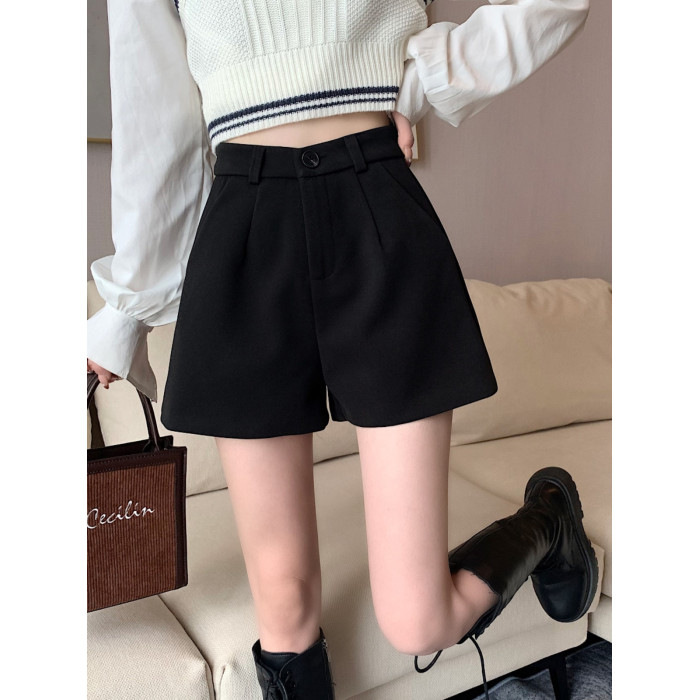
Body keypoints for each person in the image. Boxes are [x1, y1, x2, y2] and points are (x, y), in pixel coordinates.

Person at [87, 1, 595, 698]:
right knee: (284, 611)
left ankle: (549, 517)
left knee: (418, 621)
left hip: (373, 205)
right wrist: (125, 311)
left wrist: (417, 81)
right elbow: (153, 114)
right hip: (242, 230)